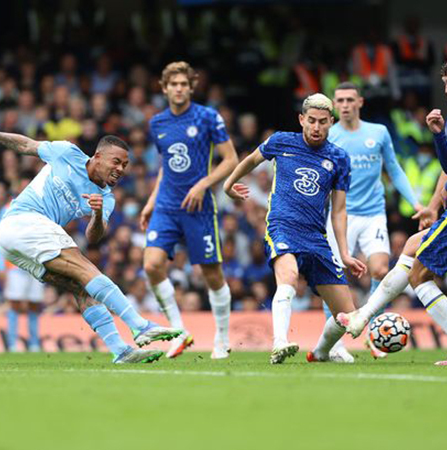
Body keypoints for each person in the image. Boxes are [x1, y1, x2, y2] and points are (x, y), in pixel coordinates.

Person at [341, 53, 447, 366]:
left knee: (420, 275)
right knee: (411, 247)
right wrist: (438, 135)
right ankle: (362, 316)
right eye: (445, 84)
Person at [0, 128, 182, 364]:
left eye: (125, 164)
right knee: (86, 268)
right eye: (116, 162)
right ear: (97, 157)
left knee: (80, 287)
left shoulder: (106, 197)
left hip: (15, 243)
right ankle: (140, 325)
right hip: (23, 219)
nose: (121, 169)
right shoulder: (66, 152)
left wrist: (97, 213)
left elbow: (94, 236)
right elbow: (26, 145)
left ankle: (120, 350)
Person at [223, 93, 367, 364]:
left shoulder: (339, 158)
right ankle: (279, 342)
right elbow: (251, 160)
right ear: (301, 119)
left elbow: (338, 210)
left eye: (322, 122)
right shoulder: (281, 141)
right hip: (282, 227)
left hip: (315, 237)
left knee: (350, 318)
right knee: (288, 277)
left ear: (331, 123)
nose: (316, 127)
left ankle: (325, 350)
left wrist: (345, 253)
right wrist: (228, 184)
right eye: (311, 120)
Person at [140, 62, 238, 359]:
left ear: (191, 87)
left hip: (199, 207)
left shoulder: (207, 117)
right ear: (164, 87)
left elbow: (230, 160)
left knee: (211, 274)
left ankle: (221, 339)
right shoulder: (158, 123)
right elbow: (164, 168)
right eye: (174, 84)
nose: (179, 88)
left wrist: (202, 185)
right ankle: (179, 331)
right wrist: (151, 201)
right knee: (151, 265)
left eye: (184, 83)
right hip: (167, 205)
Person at [325, 82, 422, 359]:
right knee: (334, 276)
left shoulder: (378, 132)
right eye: (339, 100)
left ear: (360, 103)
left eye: (349, 100)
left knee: (380, 270)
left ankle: (372, 332)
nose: (344, 105)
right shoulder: (329, 136)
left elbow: (394, 169)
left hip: (373, 213)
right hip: (339, 214)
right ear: (334, 104)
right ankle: (334, 342)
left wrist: (415, 202)